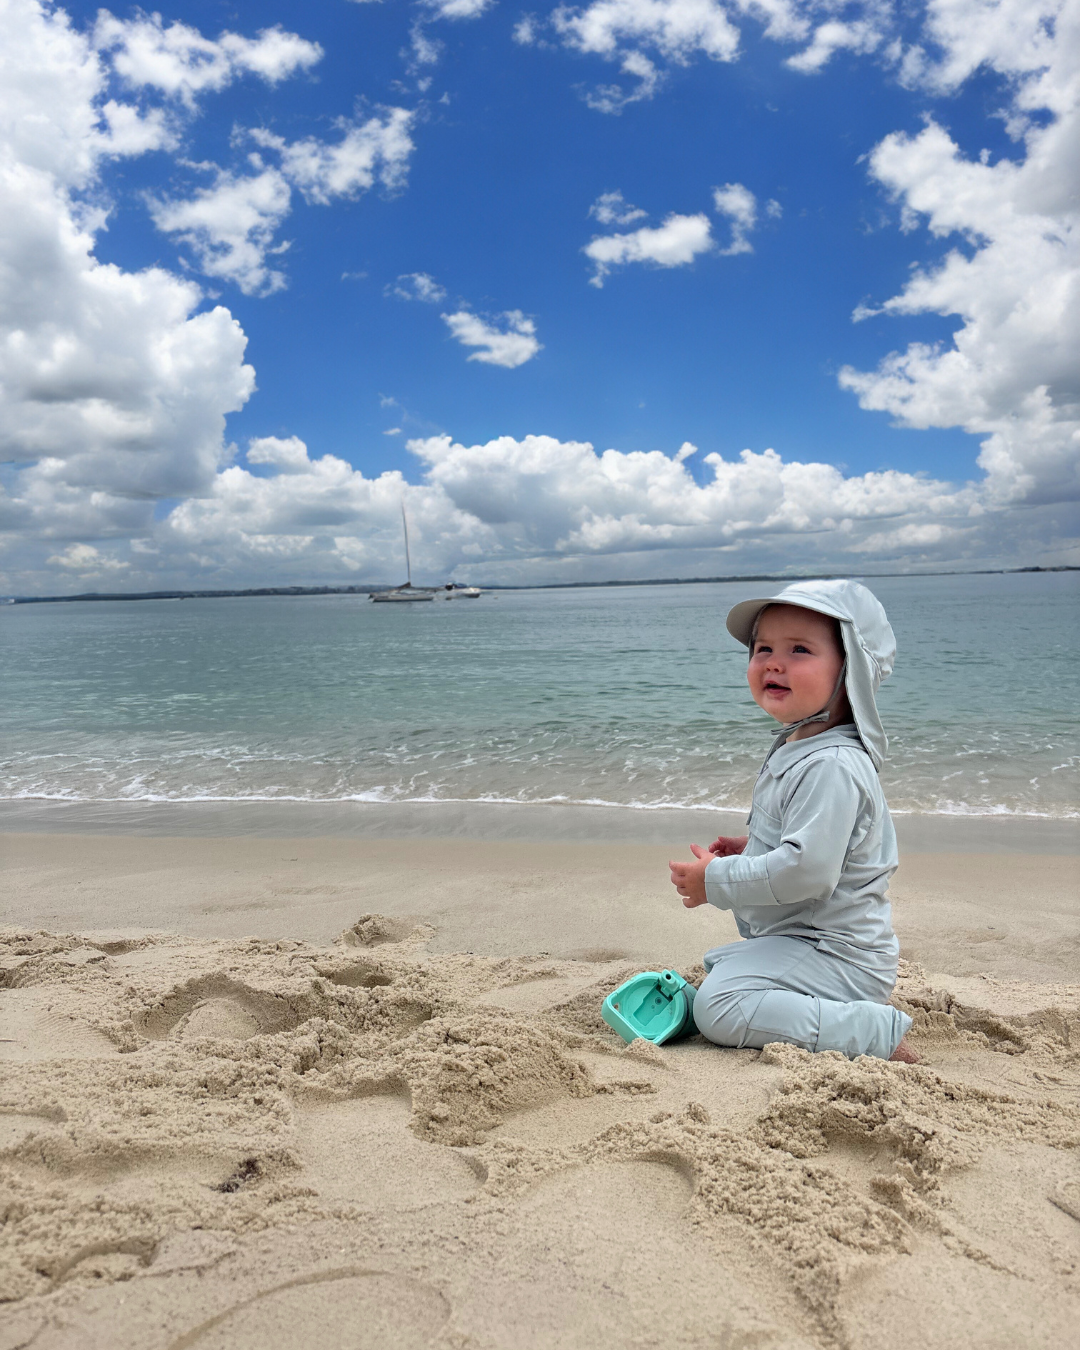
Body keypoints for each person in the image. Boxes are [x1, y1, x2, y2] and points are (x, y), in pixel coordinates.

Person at [668, 579, 918, 1063]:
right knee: (718, 965)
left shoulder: (832, 765)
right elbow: (815, 843)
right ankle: (820, 1004)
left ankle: (870, 1030)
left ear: (853, 671)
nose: (772, 663)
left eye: (799, 649)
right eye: (762, 649)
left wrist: (715, 880)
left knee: (717, 1006)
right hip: (807, 939)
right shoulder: (802, 745)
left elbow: (807, 871)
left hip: (839, 954)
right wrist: (756, 847)